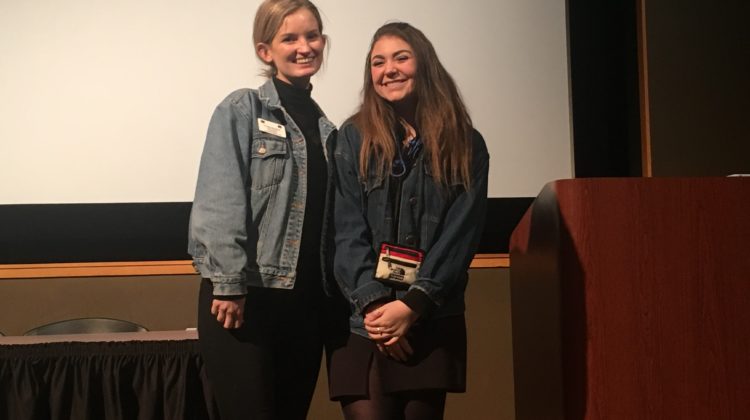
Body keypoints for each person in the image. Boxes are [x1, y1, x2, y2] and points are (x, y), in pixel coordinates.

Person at [328, 21, 490, 420]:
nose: (389, 70)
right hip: (364, 320)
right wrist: (378, 309)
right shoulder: (351, 138)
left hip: (430, 316)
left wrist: (412, 306)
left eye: (401, 57)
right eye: (378, 62)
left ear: (425, 64)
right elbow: (344, 231)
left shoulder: (466, 143)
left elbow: (460, 236)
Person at [187, 1, 337, 418]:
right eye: (289, 38)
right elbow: (219, 199)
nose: (304, 46)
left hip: (306, 307)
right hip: (246, 299)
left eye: (312, 36)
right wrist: (229, 283)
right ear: (265, 51)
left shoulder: (329, 131)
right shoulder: (242, 109)